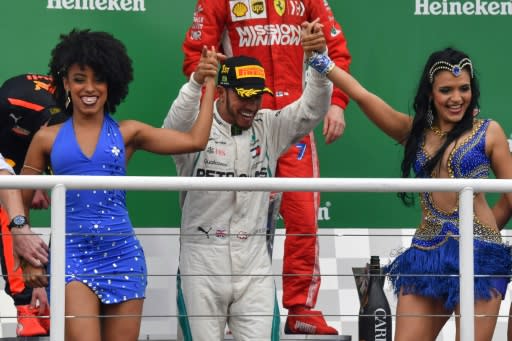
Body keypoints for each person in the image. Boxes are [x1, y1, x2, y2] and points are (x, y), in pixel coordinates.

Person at [18, 29, 218, 341]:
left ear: (112, 83)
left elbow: (196, 140)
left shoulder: (128, 133)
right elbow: (20, 200)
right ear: (65, 83)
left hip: (123, 255)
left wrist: (209, 83)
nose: (89, 88)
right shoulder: (46, 138)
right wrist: (25, 260)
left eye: (99, 79)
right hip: (71, 256)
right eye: (79, 78)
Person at [319, 46, 512, 340]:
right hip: (426, 256)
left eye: (464, 88)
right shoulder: (415, 133)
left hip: (479, 259)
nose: (457, 98)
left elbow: (510, 194)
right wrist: (320, 61)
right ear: (430, 93)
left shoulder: (489, 132)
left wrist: (480, 237)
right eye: (446, 90)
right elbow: (362, 95)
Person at [181, 0, 351, 334]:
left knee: (303, 214)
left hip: (291, 122)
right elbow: (198, 55)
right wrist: (216, 107)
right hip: (241, 122)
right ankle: (233, 306)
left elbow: (334, 51)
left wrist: (337, 104)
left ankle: (301, 307)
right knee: (242, 213)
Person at [0, 73, 69, 336]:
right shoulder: (9, 102)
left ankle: (50, 291)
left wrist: (35, 179)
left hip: (25, 138)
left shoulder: (75, 112)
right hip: (7, 134)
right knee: (8, 207)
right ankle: (25, 306)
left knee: (71, 201)